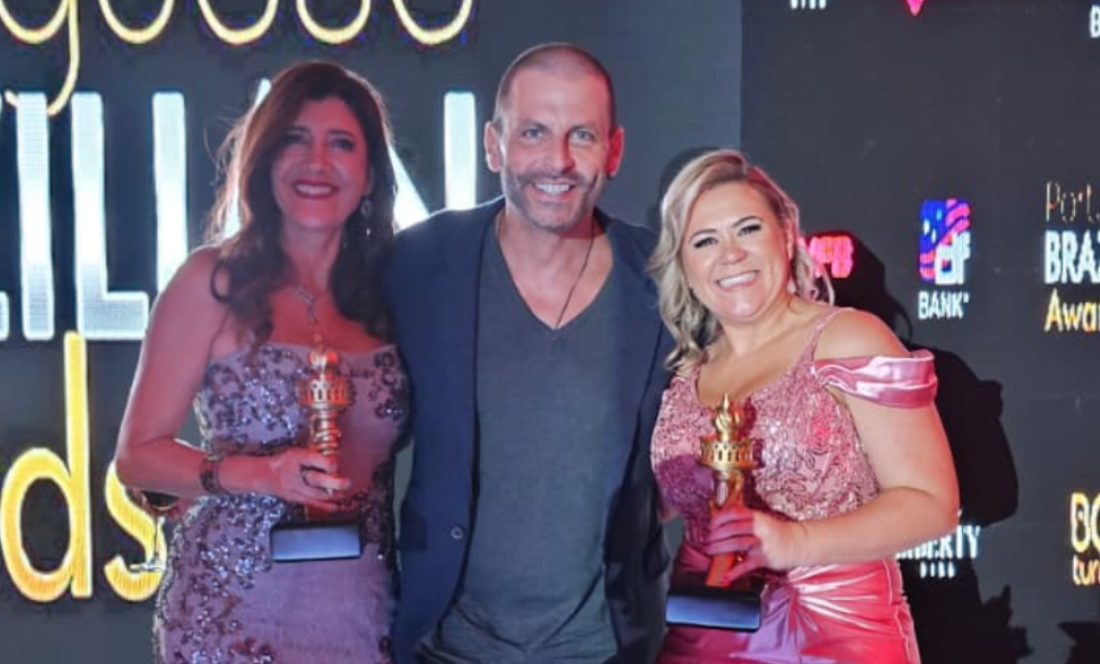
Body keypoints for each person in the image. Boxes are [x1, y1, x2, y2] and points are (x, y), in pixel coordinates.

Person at [384, 43, 672, 664]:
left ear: (614, 150)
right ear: (494, 144)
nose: (558, 161)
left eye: (582, 135)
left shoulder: (664, 279)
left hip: (606, 647)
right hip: (445, 646)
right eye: (534, 132)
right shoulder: (419, 263)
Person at [113, 61, 408, 663]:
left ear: (371, 175)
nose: (316, 163)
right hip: (230, 611)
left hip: (362, 608)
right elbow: (137, 457)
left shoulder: (396, 294)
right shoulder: (212, 281)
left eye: (341, 144)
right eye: (295, 140)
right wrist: (262, 474)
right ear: (265, 161)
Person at [648, 148, 960, 663]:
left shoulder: (847, 338)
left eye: (747, 229)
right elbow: (652, 508)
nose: (730, 254)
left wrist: (796, 542)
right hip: (702, 638)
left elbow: (933, 504)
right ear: (683, 265)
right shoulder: (684, 373)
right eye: (705, 240)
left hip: (830, 639)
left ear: (785, 232)